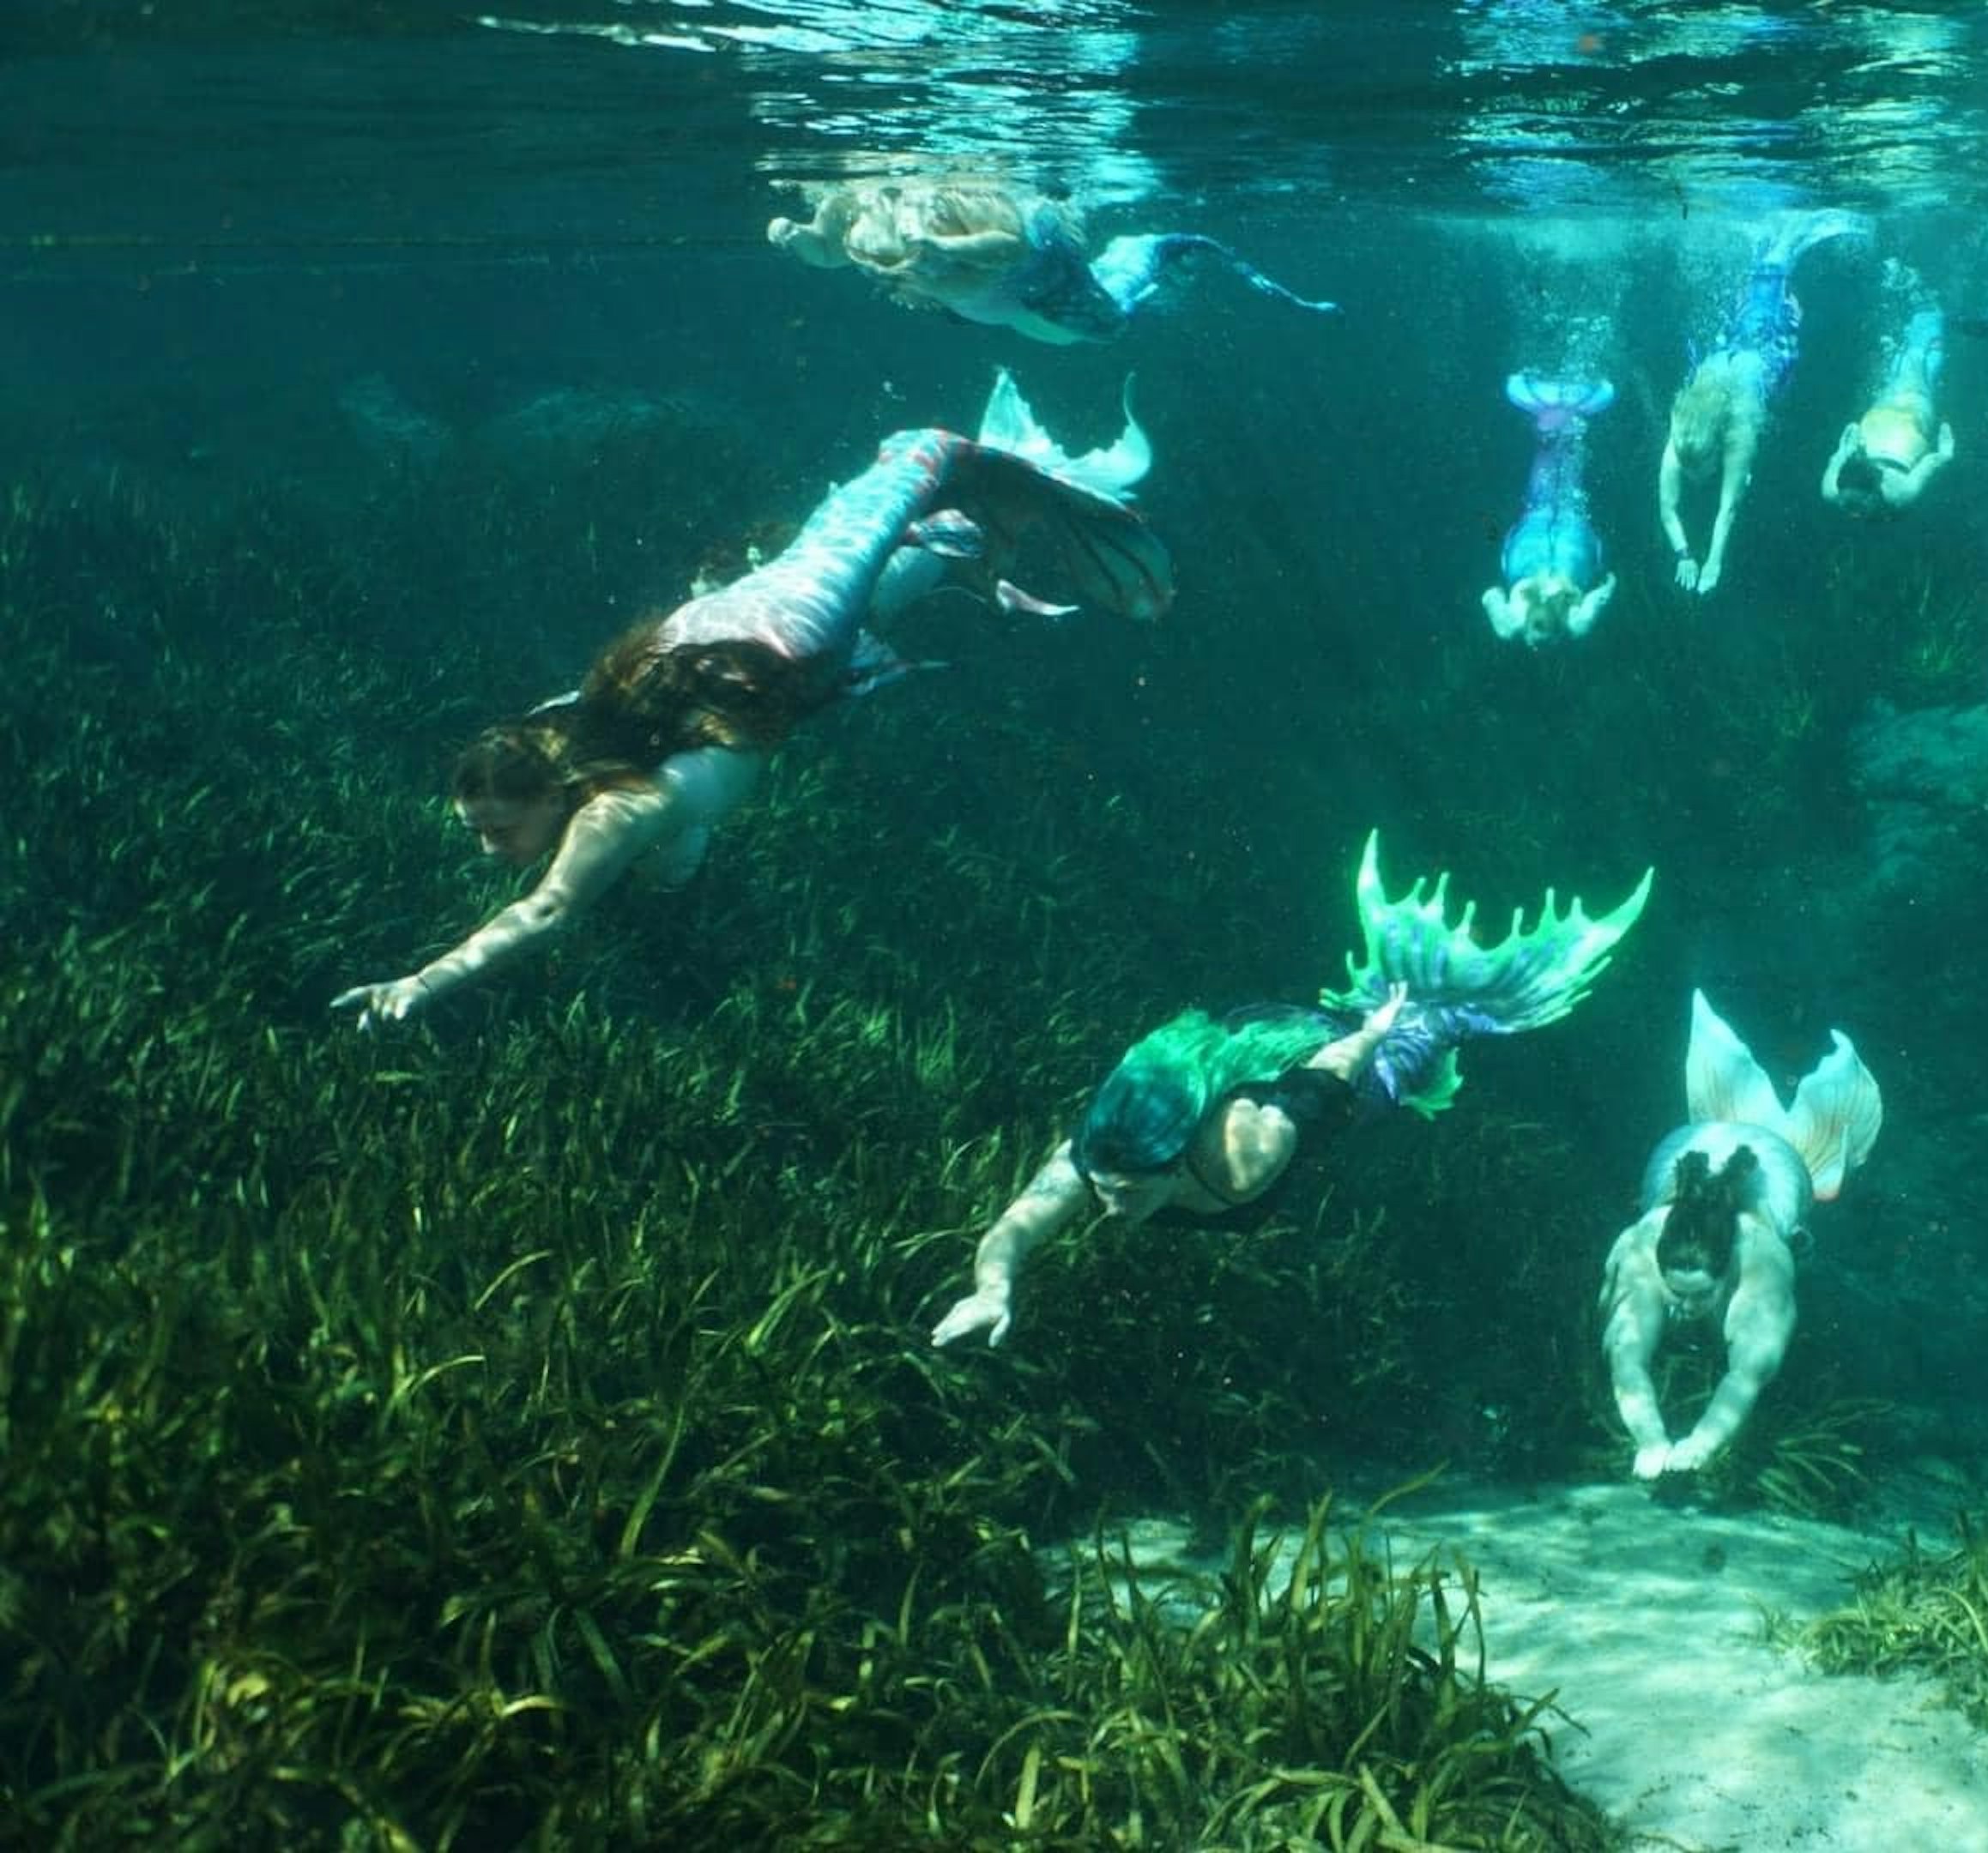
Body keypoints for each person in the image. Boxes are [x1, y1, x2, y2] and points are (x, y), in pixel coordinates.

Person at [330, 373, 1169, 1026]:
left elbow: (548, 909)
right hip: (726, 641)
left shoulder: (616, 813)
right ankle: (965, 538)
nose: (488, 850)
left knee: (887, 496)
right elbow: (606, 800)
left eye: (498, 830)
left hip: (786, 640)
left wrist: (424, 981)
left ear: (552, 794)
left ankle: (954, 470)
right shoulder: (556, 738)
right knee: (889, 575)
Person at [930, 833, 1656, 1348]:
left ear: (1179, 1158)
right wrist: (993, 1287)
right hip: (1238, 1047)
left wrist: (1378, 1029)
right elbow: (1017, 1225)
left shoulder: (1244, 1156)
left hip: (1313, 1063)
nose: (1110, 1204)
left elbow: (1324, 1078)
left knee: (1423, 1043)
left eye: (1128, 1189)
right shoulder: (1098, 1158)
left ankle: (1445, 1006)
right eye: (1108, 1187)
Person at [1599, 991, 1884, 1481]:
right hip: (1689, 1149)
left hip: (1783, 1167)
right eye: (1677, 1292)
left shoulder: (1763, 1259)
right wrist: (1651, 1442)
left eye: (1701, 1295)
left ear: (1727, 1264)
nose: (1686, 1309)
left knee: (1829, 1185)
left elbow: (1746, 1375)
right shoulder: (1639, 1248)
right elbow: (1625, 1362)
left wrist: (1700, 1445)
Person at [768, 178, 1336, 347]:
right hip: (984, 305)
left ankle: (1153, 248)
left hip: (1037, 269)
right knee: (1042, 329)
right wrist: (796, 237)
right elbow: (827, 252)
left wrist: (948, 250)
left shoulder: (942, 208)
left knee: (1108, 325)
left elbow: (1008, 246)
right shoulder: (861, 212)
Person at [1658, 208, 1871, 596]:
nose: (1695, 480)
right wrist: (1685, 553)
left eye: (1701, 471)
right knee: (1747, 316)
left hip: (1762, 359)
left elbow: (1730, 507)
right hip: (1730, 358)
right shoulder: (1683, 436)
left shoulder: (1739, 431)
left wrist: (1715, 561)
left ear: (1716, 449)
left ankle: (1790, 238)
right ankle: (1763, 243)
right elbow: (1668, 506)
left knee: (1771, 315)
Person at [1484, 373, 1619, 645]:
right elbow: (1489, 596)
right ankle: (1550, 418)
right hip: (1536, 542)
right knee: (1543, 492)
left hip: (1567, 540)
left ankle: (1571, 420)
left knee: (1569, 488)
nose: (1531, 645)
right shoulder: (1512, 624)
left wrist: (1609, 583)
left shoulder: (1575, 623)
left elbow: (1602, 594)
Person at [1820, 274, 1959, 516]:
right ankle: (1909, 326)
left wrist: (1946, 453)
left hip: (1910, 423)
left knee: (1920, 366)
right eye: (1849, 505)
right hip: (1875, 424)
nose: (1853, 515)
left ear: (1876, 490)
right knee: (1901, 376)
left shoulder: (1900, 494)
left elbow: (1931, 462)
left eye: (1856, 506)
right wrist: (1845, 448)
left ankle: (1928, 307)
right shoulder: (1831, 491)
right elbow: (1836, 460)